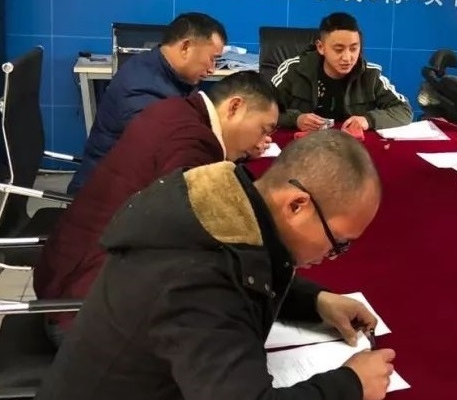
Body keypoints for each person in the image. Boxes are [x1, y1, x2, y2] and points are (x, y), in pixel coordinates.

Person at [13, 131, 395, 400]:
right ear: (297, 205)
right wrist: (351, 386)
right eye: (337, 242)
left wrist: (316, 301)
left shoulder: (222, 206)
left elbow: (250, 264)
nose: (333, 255)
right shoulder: (197, 280)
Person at [34, 71, 280, 344]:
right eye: (263, 130)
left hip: (63, 279)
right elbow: (200, 240)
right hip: (85, 315)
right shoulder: (192, 146)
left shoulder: (175, 111)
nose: (263, 142)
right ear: (234, 107)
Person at [68, 12, 227, 194]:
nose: (212, 69)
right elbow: (166, 150)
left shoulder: (172, 74)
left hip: (133, 183)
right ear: (185, 48)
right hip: (102, 194)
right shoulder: (141, 86)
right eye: (212, 58)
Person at [271, 11, 412, 134]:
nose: (347, 58)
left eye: (353, 49)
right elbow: (263, 108)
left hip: (351, 146)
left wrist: (368, 120)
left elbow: (404, 110)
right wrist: (295, 119)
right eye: (339, 50)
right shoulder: (294, 69)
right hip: (303, 145)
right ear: (321, 47)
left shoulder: (370, 74)